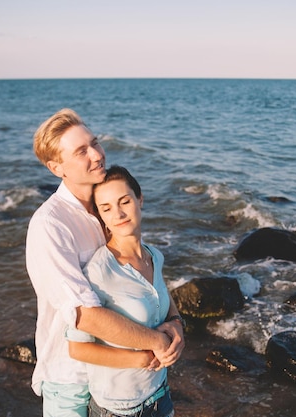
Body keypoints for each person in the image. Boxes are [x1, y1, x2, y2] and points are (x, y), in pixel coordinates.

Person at [26, 109, 184, 417]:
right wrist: (156, 343)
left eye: (95, 142)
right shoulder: (51, 225)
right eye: (81, 151)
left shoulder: (107, 205)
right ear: (57, 167)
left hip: (119, 379)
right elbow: (84, 316)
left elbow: (141, 276)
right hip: (71, 379)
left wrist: (177, 324)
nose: (97, 154)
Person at [66, 165, 182, 417]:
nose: (118, 213)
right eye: (106, 208)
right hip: (119, 409)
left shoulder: (155, 256)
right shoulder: (98, 272)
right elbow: (78, 349)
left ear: (139, 199)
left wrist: (177, 324)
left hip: (160, 395)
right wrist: (141, 359)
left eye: (124, 201)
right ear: (100, 216)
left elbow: (160, 297)